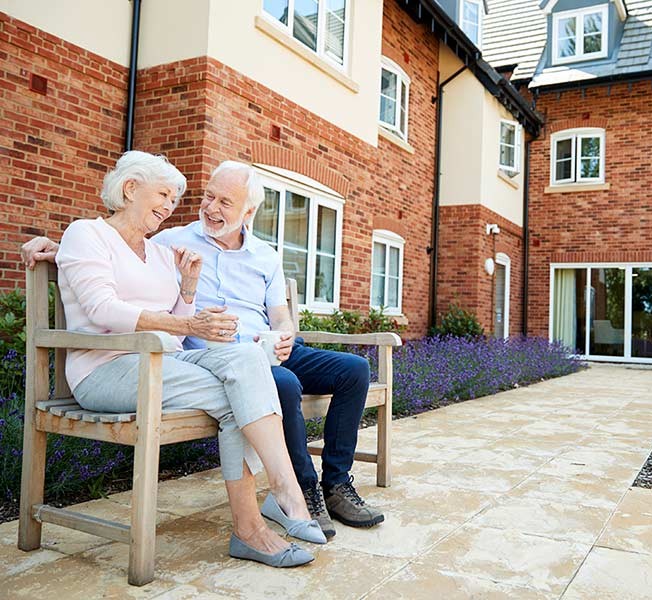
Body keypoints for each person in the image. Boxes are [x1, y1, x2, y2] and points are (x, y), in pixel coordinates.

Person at [22, 161, 385, 539]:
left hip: (257, 349)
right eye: (207, 197)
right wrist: (60, 248)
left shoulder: (254, 254)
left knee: (353, 370)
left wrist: (284, 333)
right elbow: (111, 253)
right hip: (192, 356)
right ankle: (298, 491)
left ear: (248, 212)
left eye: (225, 202)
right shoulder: (171, 239)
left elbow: (277, 314)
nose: (210, 208)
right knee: (278, 384)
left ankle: (333, 485)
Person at [51, 151, 324, 569]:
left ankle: (276, 501)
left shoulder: (161, 253)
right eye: (163, 194)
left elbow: (178, 324)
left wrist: (189, 289)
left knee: (247, 361)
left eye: (175, 200)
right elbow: (102, 308)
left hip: (164, 365)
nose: (170, 207)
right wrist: (190, 325)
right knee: (242, 395)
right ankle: (271, 510)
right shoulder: (86, 234)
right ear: (130, 189)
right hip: (105, 369)